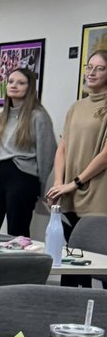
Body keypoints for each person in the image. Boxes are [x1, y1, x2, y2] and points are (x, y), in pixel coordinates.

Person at [0, 68, 56, 236]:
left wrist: (42, 191)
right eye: (11, 81)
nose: (14, 85)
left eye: (21, 83)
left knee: (17, 231)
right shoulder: (1, 117)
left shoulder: (38, 116)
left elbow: (47, 155)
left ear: (30, 88)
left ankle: (19, 262)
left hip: (23, 178)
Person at [47, 49, 107, 235]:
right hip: (70, 194)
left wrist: (74, 183)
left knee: (94, 254)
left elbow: (105, 155)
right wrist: (59, 184)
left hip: (97, 195)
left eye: (100, 69)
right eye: (89, 67)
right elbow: (62, 148)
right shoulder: (76, 106)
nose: (91, 73)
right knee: (70, 252)